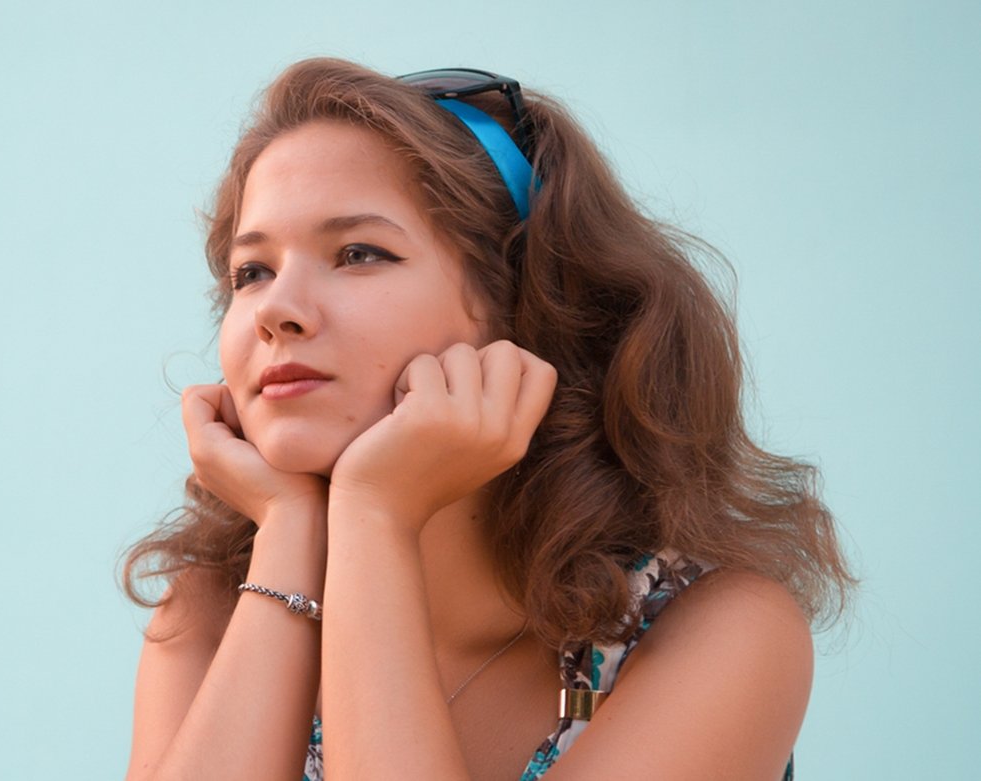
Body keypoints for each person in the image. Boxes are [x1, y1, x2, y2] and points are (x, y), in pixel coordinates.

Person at [120, 58, 852, 781]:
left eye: (357, 253)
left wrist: (375, 514)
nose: (276, 309)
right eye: (253, 271)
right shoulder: (211, 611)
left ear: (524, 307)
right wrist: (289, 534)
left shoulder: (722, 630)